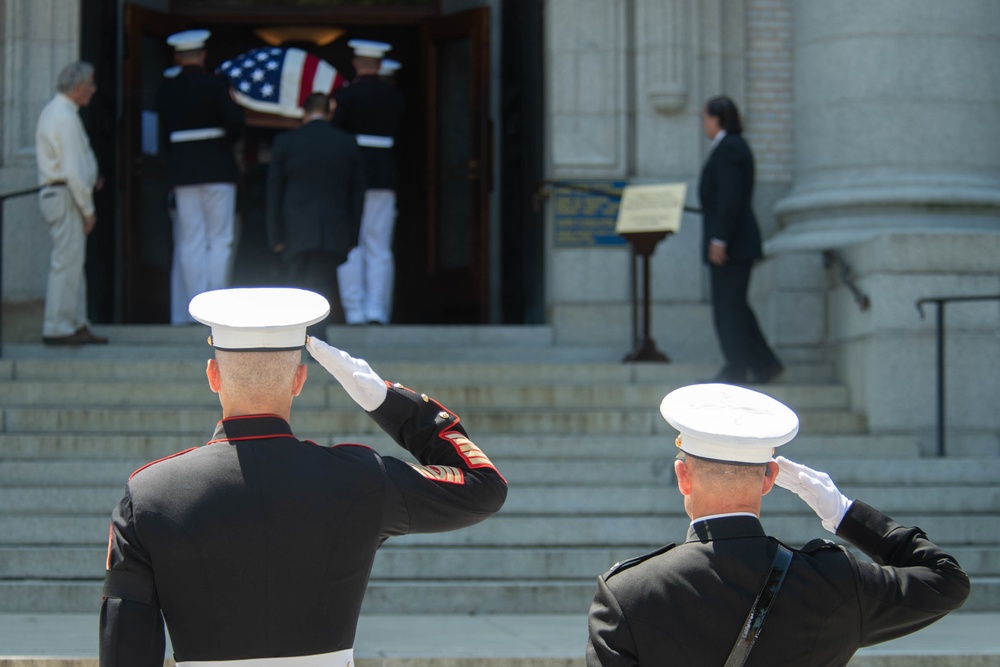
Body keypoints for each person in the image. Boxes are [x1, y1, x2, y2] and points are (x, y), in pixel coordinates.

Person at [99, 287, 508, 665]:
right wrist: (385, 399)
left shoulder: (149, 494)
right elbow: (482, 485)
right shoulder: (361, 478)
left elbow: (125, 650)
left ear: (213, 375)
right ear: (299, 380)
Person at [586, 383, 970, 666]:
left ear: (683, 476)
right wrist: (846, 514)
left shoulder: (628, 594)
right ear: (769, 478)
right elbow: (946, 580)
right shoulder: (832, 582)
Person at [156, 29, 244, 325]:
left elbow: (164, 134)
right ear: (203, 55)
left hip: (183, 171)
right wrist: (222, 144)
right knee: (220, 239)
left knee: (191, 240)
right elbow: (235, 121)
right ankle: (215, 306)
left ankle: (196, 307)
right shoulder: (216, 84)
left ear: (178, 57)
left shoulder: (166, 88)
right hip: (218, 168)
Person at [698, 95, 782, 384]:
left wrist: (719, 239)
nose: (703, 124)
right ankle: (764, 364)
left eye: (705, 118)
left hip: (732, 244)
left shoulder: (728, 149)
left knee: (729, 308)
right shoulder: (731, 147)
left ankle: (737, 368)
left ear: (717, 118)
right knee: (735, 306)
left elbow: (729, 198)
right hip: (735, 242)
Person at [267, 92, 365, 331]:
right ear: (329, 112)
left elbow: (273, 191)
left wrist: (275, 235)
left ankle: (296, 338)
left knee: (295, 284)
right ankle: (315, 340)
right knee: (320, 285)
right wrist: (352, 236)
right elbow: (357, 193)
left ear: (304, 112)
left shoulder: (286, 142)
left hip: (295, 227)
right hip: (333, 226)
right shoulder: (346, 142)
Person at [34, 61, 107, 346]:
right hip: (65, 196)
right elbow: (73, 170)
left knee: (72, 262)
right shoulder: (63, 116)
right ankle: (59, 326)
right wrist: (88, 210)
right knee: (67, 262)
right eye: (90, 83)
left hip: (63, 194)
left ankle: (74, 322)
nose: (93, 88)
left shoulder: (59, 112)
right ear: (77, 87)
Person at [333, 39, 405, 325]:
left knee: (352, 246)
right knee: (379, 247)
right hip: (384, 176)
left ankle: (355, 311)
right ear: (379, 65)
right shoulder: (395, 96)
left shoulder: (345, 95)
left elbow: (336, 134)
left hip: (352, 177)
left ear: (356, 64)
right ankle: (377, 310)